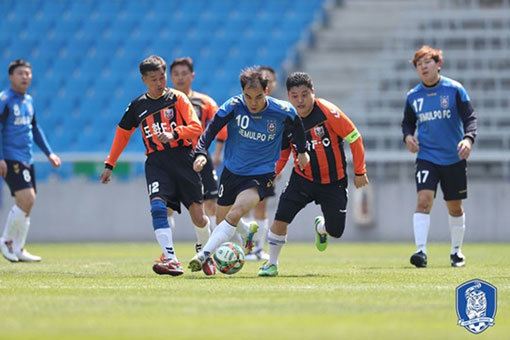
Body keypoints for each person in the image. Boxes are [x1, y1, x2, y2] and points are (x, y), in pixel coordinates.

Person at [100, 55, 215, 276]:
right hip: (156, 163)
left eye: (162, 77)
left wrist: (174, 133)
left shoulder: (178, 98)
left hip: (184, 158)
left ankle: (205, 251)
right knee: (158, 208)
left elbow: (196, 127)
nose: (160, 83)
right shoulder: (137, 106)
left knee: (199, 218)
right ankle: (171, 259)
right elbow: (122, 135)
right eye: (154, 79)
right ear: (144, 79)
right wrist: (110, 164)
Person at [188, 67, 309, 272]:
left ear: (267, 91)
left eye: (258, 97)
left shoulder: (282, 111)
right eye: (248, 97)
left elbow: (298, 127)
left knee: (235, 213)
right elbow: (211, 130)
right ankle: (247, 230)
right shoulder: (233, 106)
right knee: (221, 218)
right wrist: (200, 152)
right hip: (232, 172)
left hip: (261, 174)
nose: (253, 103)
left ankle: (204, 255)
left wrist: (302, 151)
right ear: (242, 92)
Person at [258, 72, 369, 277]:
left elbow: (355, 138)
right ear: (288, 96)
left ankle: (322, 228)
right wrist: (273, 174)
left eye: (304, 94)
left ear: (313, 93)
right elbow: (283, 153)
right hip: (302, 180)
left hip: (333, 181)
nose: (300, 100)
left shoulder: (328, 112)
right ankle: (271, 263)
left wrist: (360, 171)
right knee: (281, 218)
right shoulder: (286, 119)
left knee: (336, 231)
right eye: (294, 96)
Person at [401, 46, 477, 268]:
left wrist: (468, 139)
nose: (423, 66)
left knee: (454, 207)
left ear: (438, 64)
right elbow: (407, 123)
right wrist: (407, 137)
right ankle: (420, 252)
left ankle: (456, 252)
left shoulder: (454, 90)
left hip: (453, 157)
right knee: (423, 201)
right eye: (418, 64)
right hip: (427, 157)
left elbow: (470, 117)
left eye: (427, 62)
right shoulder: (413, 96)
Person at [0, 59, 61, 262]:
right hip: (11, 157)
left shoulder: (29, 101)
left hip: (27, 157)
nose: (25, 77)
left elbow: (35, 129)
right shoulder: (4, 100)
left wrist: (49, 153)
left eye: (28, 73)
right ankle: (6, 241)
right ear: (11, 76)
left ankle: (19, 248)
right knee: (28, 199)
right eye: (20, 73)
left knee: (26, 204)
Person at [245, 65, 277, 261]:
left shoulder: (279, 110)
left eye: (270, 80)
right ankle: (247, 248)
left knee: (261, 207)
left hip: (267, 168)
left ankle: (258, 248)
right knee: (245, 206)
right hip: (246, 166)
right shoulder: (247, 106)